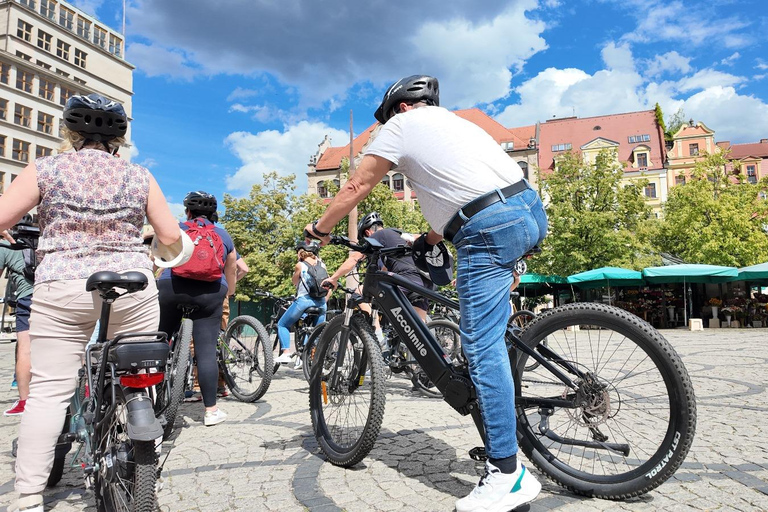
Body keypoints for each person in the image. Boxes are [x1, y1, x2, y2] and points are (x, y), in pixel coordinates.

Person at [304, 75, 548, 512]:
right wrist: (429, 239)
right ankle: (500, 417)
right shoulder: (458, 126)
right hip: (525, 210)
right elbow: (464, 189)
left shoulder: (400, 126)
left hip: (487, 227)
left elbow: (357, 186)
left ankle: (507, 474)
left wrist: (318, 230)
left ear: (400, 108)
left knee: (480, 345)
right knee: (486, 331)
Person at [0, 93, 182, 512]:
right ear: (119, 138)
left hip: (63, 284)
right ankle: (138, 434)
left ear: (70, 132)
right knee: (138, 373)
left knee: (49, 391)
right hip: (133, 284)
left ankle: (28, 495)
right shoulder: (139, 176)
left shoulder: (45, 169)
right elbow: (170, 235)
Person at [157, 191, 236, 426]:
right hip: (210, 293)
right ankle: (211, 411)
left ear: (188, 212)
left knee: (160, 340)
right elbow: (231, 268)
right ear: (214, 214)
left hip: (172, 286)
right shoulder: (222, 235)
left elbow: (157, 257)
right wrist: (228, 292)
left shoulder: (176, 228)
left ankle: (148, 401)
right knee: (205, 351)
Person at [323, 211, 434, 326]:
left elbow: (354, 258)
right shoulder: (399, 236)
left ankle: (374, 336)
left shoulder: (378, 235)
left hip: (407, 278)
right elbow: (384, 272)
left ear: (368, 232)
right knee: (419, 330)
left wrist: (333, 279)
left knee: (359, 293)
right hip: (425, 281)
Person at [0, 216, 36, 416]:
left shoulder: (5, 244)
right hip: (53, 294)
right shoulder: (42, 237)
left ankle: (24, 401)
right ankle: (84, 390)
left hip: (27, 299)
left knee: (25, 348)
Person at [275, 241, 328, 368]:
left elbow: (294, 282)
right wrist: (324, 300)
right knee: (317, 332)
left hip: (304, 301)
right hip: (321, 304)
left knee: (282, 324)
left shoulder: (300, 265)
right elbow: (329, 284)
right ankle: (314, 357)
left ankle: (286, 353)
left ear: (301, 252)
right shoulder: (323, 265)